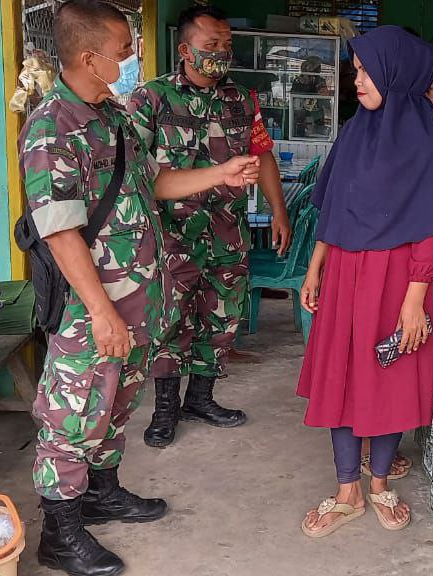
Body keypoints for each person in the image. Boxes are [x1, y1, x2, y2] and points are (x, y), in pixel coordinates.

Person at [21, 2, 259, 574]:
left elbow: (155, 182)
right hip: (91, 306)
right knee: (74, 413)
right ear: (89, 57)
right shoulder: (53, 127)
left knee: (118, 402)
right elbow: (60, 231)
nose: (130, 59)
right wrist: (101, 311)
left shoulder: (113, 116)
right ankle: (60, 533)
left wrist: (219, 174)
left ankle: (102, 493)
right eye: (123, 50)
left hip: (137, 298)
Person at [297, 26, 433, 538]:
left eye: (365, 70)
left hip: (397, 280)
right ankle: (346, 489)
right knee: (342, 374)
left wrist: (415, 300)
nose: (357, 80)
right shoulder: (352, 132)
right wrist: (314, 267)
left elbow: (429, 230)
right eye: (355, 70)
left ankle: (378, 485)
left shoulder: (422, 141)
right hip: (345, 272)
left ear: (395, 73)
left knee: (388, 375)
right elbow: (331, 208)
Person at [128, 5, 291, 448]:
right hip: (171, 234)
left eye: (226, 45)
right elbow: (138, 177)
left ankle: (201, 398)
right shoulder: (151, 99)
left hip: (226, 229)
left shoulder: (242, 99)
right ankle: (165, 409)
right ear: (184, 50)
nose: (220, 54)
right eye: (210, 46)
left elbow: (263, 155)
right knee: (170, 321)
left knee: (221, 316)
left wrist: (279, 211)